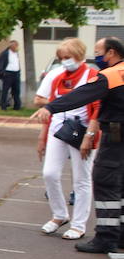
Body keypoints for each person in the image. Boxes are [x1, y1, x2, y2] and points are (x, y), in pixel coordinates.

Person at [35, 36, 124, 256]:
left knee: (105, 183)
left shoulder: (110, 75)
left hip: (115, 137)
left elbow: (83, 96)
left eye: (100, 53)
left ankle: (106, 237)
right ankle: (120, 236)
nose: (98, 57)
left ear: (111, 53)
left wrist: (52, 107)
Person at [33, 37, 99, 240]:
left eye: (68, 57)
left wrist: (90, 135)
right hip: (58, 128)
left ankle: (79, 224)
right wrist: (42, 136)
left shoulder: (93, 75)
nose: (65, 61)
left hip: (82, 129)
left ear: (79, 55)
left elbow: (98, 107)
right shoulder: (57, 75)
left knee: (81, 179)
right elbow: (46, 106)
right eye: (61, 58)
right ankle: (60, 214)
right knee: (49, 173)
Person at [0, 39, 23, 110]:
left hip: (16, 74)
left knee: (16, 91)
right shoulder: (5, 53)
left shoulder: (16, 53)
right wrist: (2, 73)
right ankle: (3, 106)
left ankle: (17, 106)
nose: (17, 47)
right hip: (8, 74)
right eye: (16, 46)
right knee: (5, 91)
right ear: (12, 46)